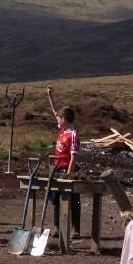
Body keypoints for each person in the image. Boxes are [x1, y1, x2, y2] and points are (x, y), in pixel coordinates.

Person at [47, 86, 81, 236]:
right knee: (55, 199)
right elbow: (55, 112)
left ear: (65, 120)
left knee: (73, 200)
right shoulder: (62, 130)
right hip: (56, 168)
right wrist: (50, 96)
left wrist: (69, 174)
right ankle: (56, 227)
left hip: (68, 169)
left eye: (60, 119)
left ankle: (75, 229)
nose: (57, 120)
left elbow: (74, 156)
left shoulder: (73, 134)